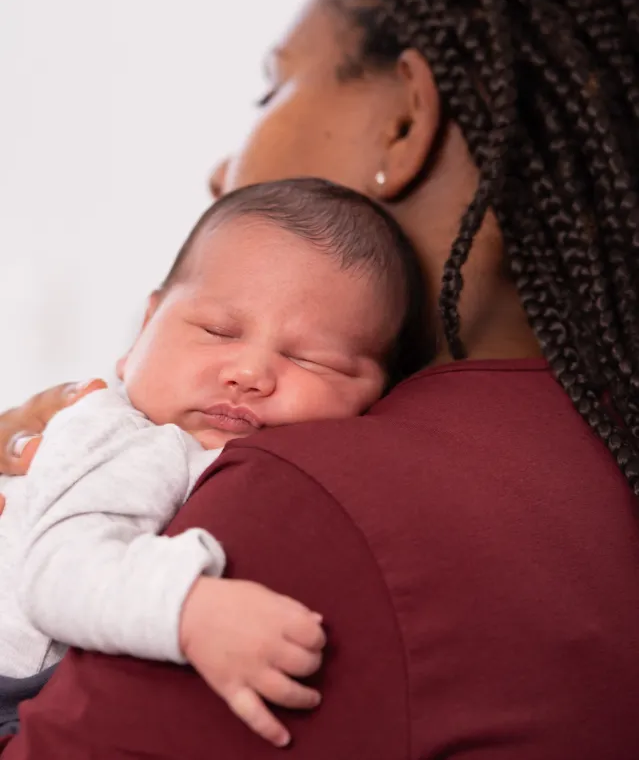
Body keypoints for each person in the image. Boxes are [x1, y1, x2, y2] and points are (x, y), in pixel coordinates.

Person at [1, 0, 639, 757]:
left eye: (274, 87)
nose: (217, 169)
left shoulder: (296, 491)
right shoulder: (595, 444)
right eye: (216, 329)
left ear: (404, 121)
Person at [0, 177, 426, 745]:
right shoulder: (122, 435)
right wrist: (191, 609)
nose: (249, 373)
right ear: (143, 331)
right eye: (216, 331)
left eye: (311, 359)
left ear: (381, 393)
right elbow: (58, 577)